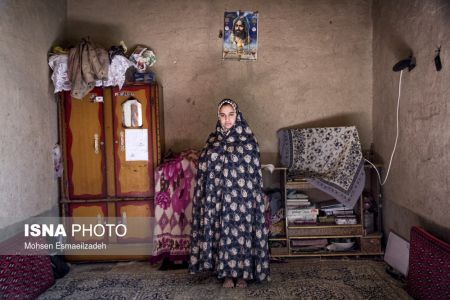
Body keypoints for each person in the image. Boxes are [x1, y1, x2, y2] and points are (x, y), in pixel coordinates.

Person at [189, 99, 270, 288]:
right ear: (218, 117)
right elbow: (205, 172)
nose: (227, 120)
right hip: (220, 200)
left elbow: (255, 175)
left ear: (237, 115)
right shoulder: (212, 142)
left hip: (243, 201)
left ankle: (243, 275)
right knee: (222, 233)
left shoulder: (249, 142)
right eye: (223, 115)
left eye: (231, 115)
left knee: (242, 234)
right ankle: (226, 274)